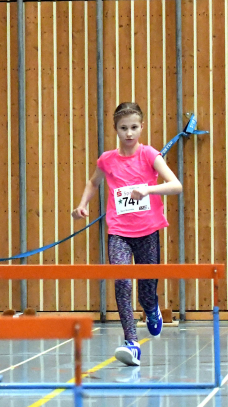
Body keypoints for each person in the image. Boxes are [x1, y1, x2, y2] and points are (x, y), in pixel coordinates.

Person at [72, 102, 182, 366]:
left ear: (141, 127)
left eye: (134, 128)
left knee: (146, 288)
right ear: (116, 129)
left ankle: (151, 307)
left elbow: (175, 185)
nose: (129, 133)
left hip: (147, 231)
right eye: (124, 128)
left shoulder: (149, 155)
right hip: (119, 232)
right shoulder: (107, 160)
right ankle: (131, 343)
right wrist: (82, 204)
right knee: (121, 282)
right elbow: (93, 181)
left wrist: (148, 190)